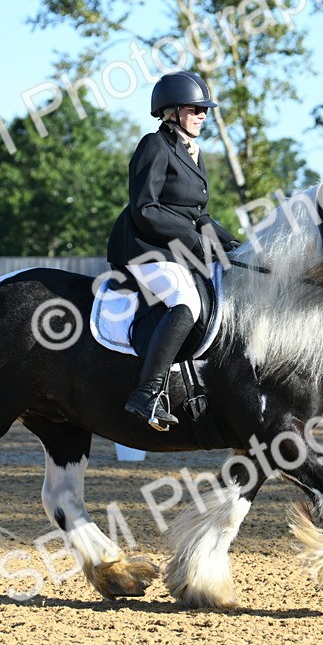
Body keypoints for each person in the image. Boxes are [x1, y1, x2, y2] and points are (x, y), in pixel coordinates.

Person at [107, 71, 240, 430]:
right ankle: (146, 393)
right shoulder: (154, 145)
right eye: (196, 109)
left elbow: (200, 215)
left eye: (205, 109)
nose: (203, 115)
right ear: (173, 111)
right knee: (187, 302)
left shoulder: (194, 154)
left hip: (174, 248)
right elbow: (145, 208)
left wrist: (237, 246)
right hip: (143, 247)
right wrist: (197, 242)